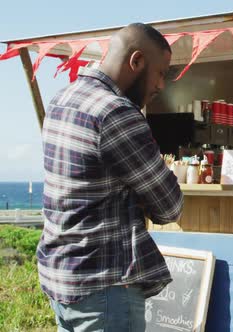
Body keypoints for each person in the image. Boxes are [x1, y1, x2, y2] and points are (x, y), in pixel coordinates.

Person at [37, 23, 184, 331]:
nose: (161, 85)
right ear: (137, 61)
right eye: (161, 73)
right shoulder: (116, 113)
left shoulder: (62, 100)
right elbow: (169, 207)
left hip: (63, 280)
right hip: (106, 287)